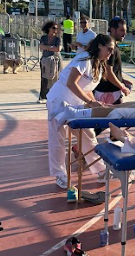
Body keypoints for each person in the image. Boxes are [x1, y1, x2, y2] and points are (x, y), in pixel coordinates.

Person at [45, 34, 113, 189]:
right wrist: (90, 102)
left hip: (76, 105)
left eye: (112, 50)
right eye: (109, 49)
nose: (111, 53)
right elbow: (71, 82)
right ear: (100, 46)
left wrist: (95, 103)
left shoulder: (98, 65)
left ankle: (100, 170)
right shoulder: (84, 59)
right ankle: (60, 175)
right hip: (58, 102)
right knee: (58, 139)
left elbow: (86, 88)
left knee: (88, 135)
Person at [93, 17, 132, 104]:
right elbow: (108, 72)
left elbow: (111, 70)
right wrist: (122, 87)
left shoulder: (110, 46)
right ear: (113, 30)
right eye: (122, 30)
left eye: (125, 30)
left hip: (108, 91)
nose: (124, 33)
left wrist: (121, 80)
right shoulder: (110, 48)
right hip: (108, 93)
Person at [39, 21, 62, 103]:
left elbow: (58, 49)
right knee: (44, 78)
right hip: (45, 60)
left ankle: (54, 96)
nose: (55, 30)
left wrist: (47, 47)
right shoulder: (43, 38)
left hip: (55, 60)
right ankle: (43, 96)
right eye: (54, 28)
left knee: (55, 78)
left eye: (56, 28)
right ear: (49, 28)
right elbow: (41, 47)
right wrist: (51, 47)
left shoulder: (58, 39)